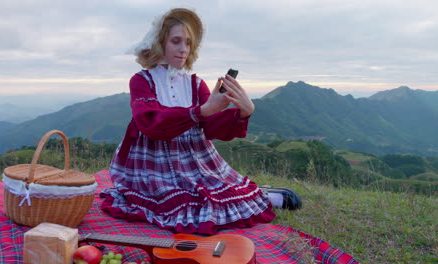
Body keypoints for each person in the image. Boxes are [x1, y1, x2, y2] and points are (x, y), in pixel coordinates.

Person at [100, 7, 301, 235]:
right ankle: (261, 195)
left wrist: (242, 113)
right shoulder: (142, 80)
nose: (183, 49)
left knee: (212, 187)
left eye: (187, 42)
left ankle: (262, 195)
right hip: (151, 160)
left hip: (195, 157)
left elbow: (211, 127)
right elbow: (149, 123)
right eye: (176, 41)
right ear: (160, 43)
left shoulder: (196, 84)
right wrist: (199, 112)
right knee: (177, 201)